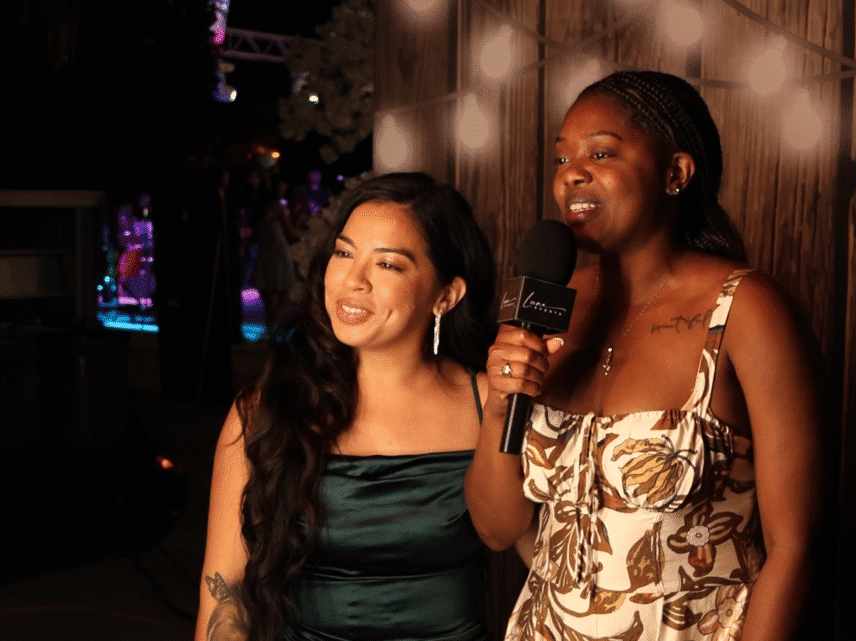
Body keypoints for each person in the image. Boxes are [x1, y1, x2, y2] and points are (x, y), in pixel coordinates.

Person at [464, 70, 824, 640]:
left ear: (675, 173)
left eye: (600, 153)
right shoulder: (549, 305)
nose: (572, 174)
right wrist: (500, 401)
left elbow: (795, 546)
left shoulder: (747, 311)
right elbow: (496, 525)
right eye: (561, 160)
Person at [196, 172, 498, 641]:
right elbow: (224, 593)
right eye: (344, 253)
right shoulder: (268, 408)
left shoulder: (490, 404)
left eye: (388, 265)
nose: (352, 281)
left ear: (447, 295)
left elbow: (549, 558)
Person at [252, 173, 299, 332]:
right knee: (288, 294)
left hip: (266, 251)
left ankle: (270, 329)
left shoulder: (261, 207)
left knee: (272, 291)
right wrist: (299, 215)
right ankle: (272, 325)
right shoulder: (278, 207)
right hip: (279, 251)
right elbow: (292, 232)